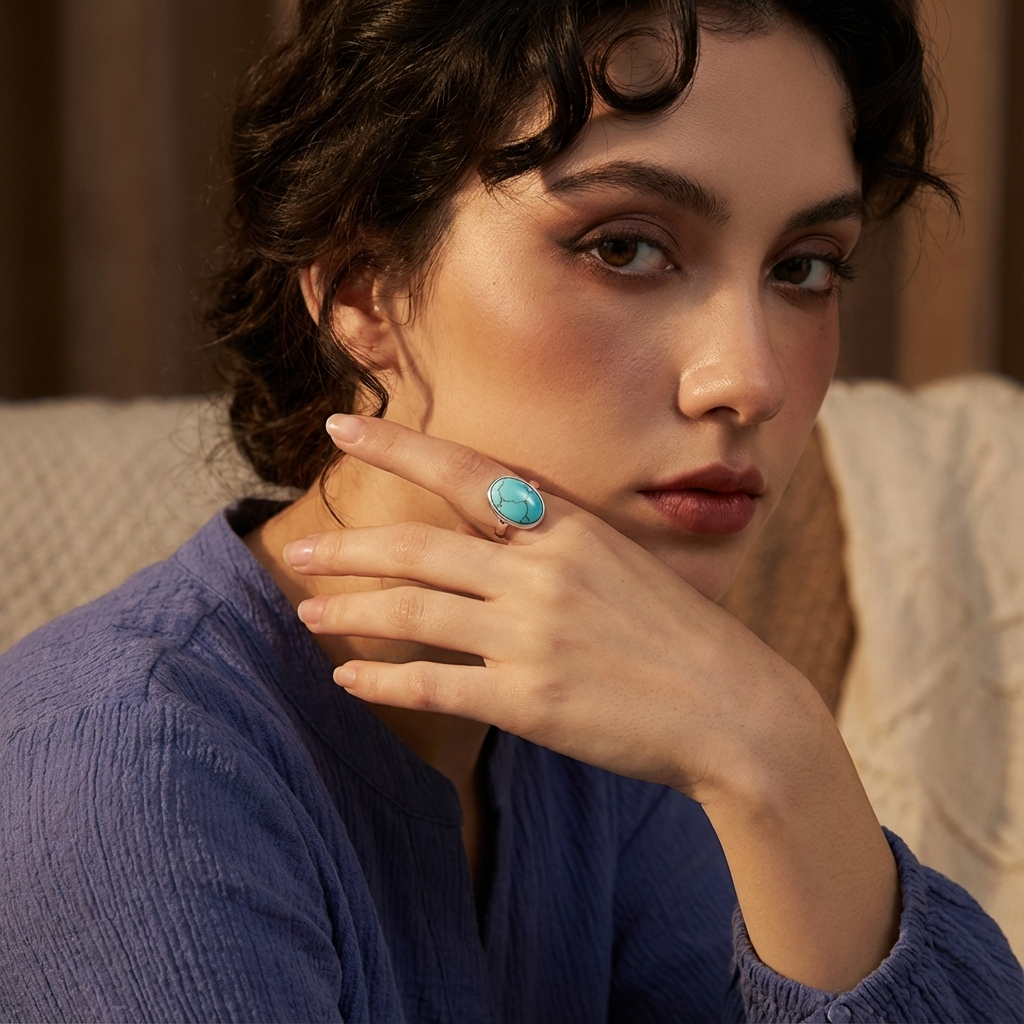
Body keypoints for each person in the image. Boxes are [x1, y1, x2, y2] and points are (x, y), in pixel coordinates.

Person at [1, 0, 1021, 1020]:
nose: (747, 381)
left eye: (803, 268)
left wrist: (781, 762)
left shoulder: (602, 723)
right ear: (363, 290)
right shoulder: (122, 778)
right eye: (624, 247)